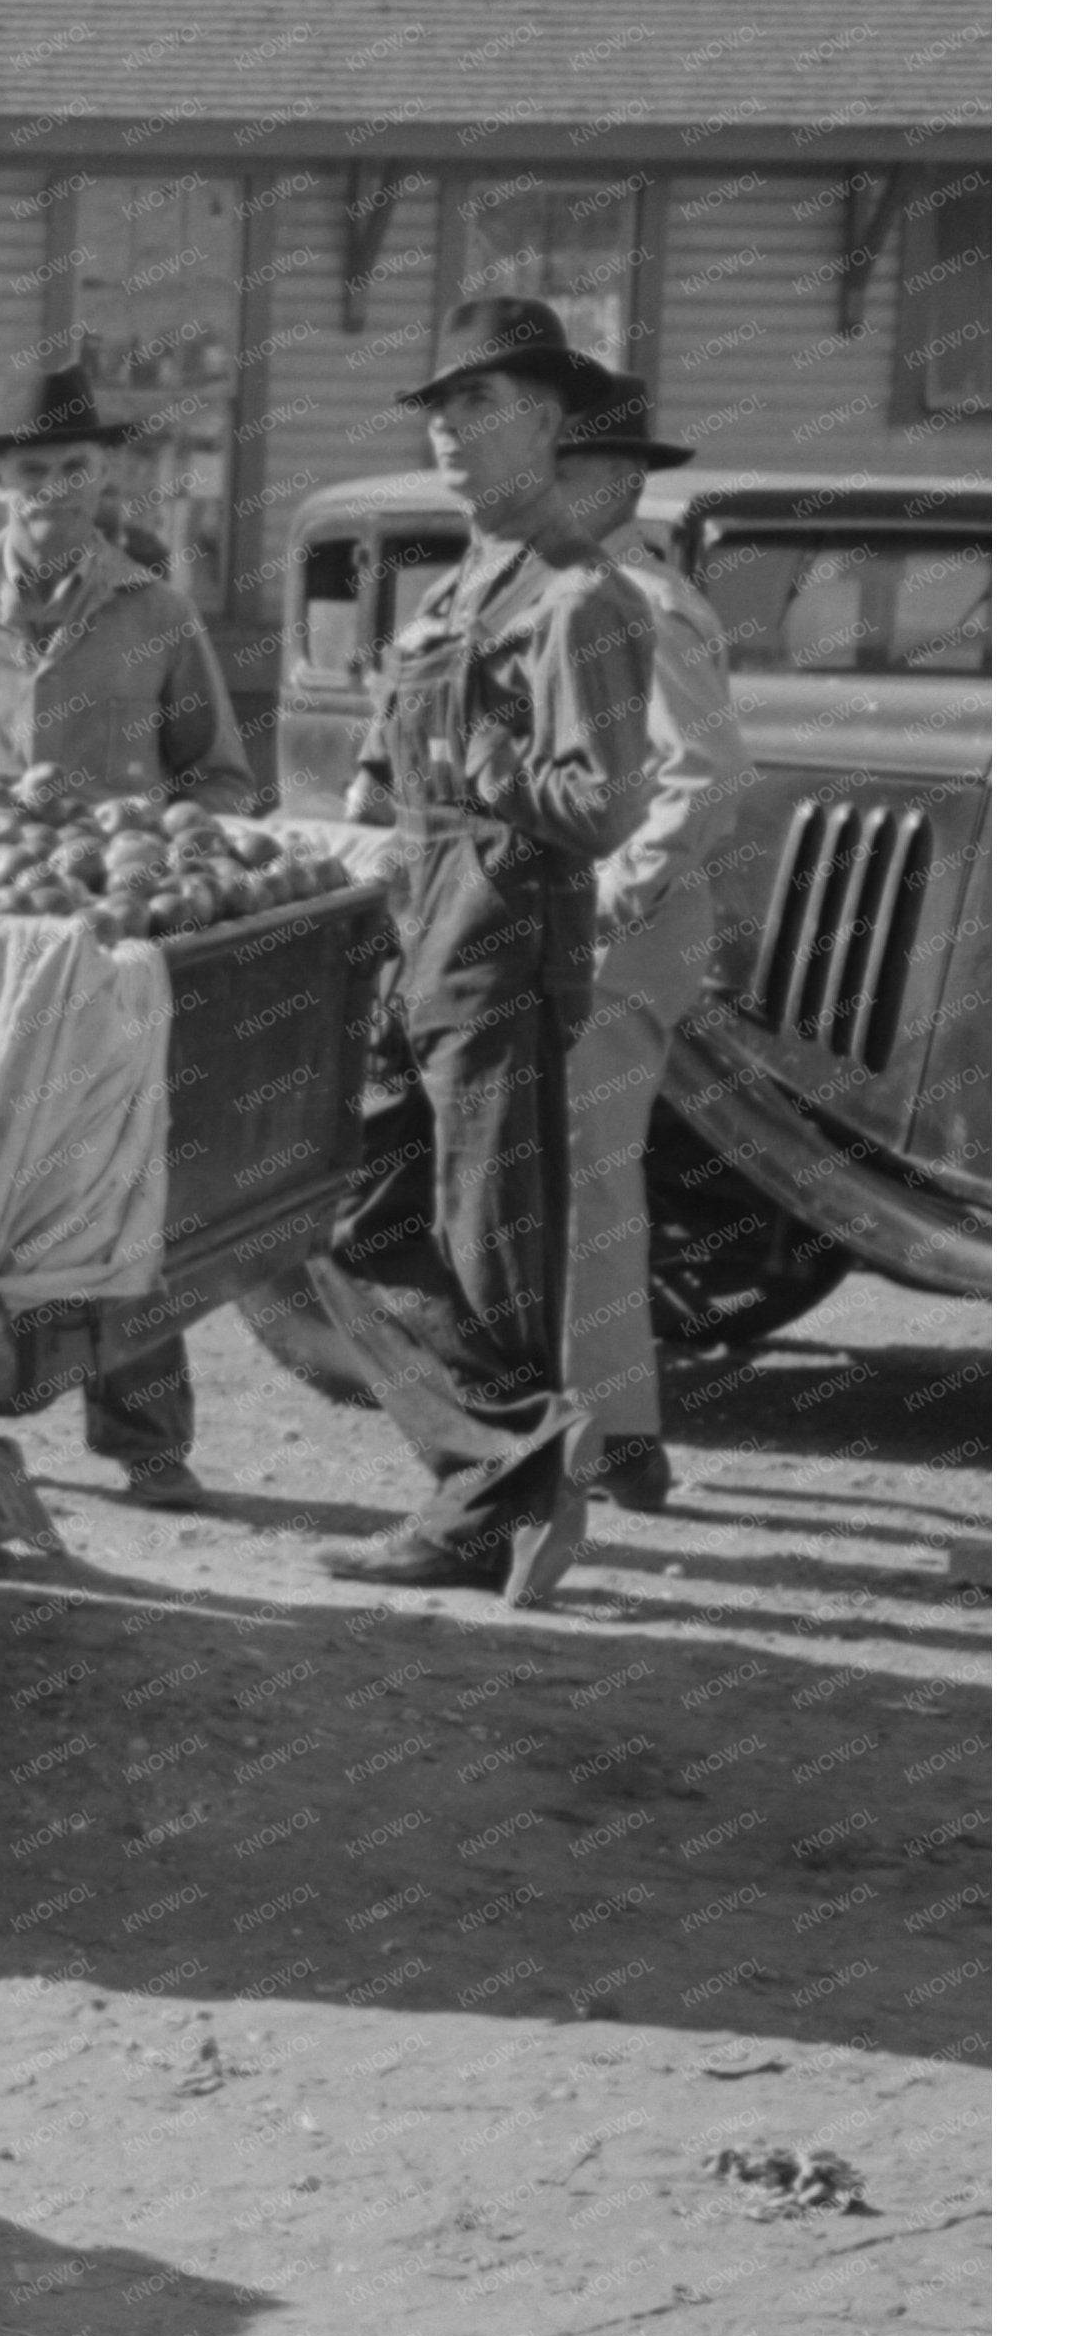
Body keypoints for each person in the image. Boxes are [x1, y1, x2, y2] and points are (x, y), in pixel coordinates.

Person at [309, 299, 654, 1603]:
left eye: (484, 404)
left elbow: (602, 806)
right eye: (442, 410)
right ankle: (511, 1462)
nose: (453, 430)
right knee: (352, 1218)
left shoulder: (577, 599)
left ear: (553, 424)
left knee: (490, 1251)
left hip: (505, 950)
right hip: (414, 943)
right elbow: (389, 758)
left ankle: (480, 1507)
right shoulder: (454, 586)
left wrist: (492, 765)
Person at [0, 358, 256, 1527]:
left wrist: (146, 835)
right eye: (31, 473)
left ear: (101, 474)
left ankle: (146, 1441)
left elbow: (221, 783)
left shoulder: (155, 614)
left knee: (122, 1189)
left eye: (72, 469)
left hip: (110, 954)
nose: (53, 492)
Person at [550, 366, 753, 1515]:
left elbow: (707, 773)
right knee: (583, 1182)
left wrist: (616, 895)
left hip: (622, 931)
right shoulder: (597, 585)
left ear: (622, 480)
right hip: (614, 921)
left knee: (584, 1186)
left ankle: (606, 1441)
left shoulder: (634, 597)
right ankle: (611, 1434)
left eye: (565, 467)